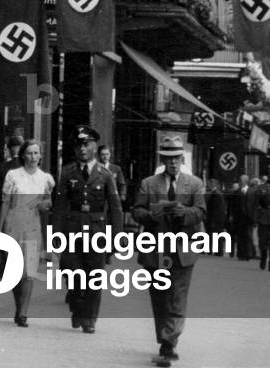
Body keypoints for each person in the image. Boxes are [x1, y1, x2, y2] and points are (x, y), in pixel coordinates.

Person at [132, 136, 206, 366]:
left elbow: (202, 212)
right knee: (160, 296)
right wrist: (150, 215)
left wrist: (185, 213)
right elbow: (136, 211)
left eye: (176, 158)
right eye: (168, 158)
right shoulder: (149, 184)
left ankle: (168, 342)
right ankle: (165, 339)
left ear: (182, 158)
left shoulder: (194, 184)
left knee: (178, 296)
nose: (173, 163)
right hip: (155, 248)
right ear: (162, 159)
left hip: (183, 249)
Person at [52, 124, 123, 334]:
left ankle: (89, 317)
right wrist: (55, 235)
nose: (82, 149)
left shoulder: (106, 174)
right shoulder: (67, 173)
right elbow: (59, 206)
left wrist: (116, 237)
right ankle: (76, 305)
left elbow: (115, 208)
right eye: (79, 145)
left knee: (94, 275)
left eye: (86, 144)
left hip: (97, 231)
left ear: (95, 146)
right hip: (71, 230)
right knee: (71, 271)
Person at [0, 138, 54, 326]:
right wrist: (0, 229)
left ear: (41, 156)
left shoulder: (45, 179)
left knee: (29, 271)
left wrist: (45, 204)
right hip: (14, 222)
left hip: (33, 225)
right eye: (29, 153)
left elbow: (48, 202)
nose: (32, 157)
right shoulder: (13, 175)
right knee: (14, 272)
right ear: (23, 155)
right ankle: (18, 305)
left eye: (36, 153)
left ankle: (23, 312)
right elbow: (5, 203)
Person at [206, 179, 227, 255]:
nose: (208, 186)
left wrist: (213, 220)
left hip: (216, 219)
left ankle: (219, 251)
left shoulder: (216, 194)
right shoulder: (216, 193)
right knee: (216, 234)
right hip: (217, 218)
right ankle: (216, 250)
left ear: (213, 185)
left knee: (216, 234)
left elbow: (216, 208)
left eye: (209, 184)